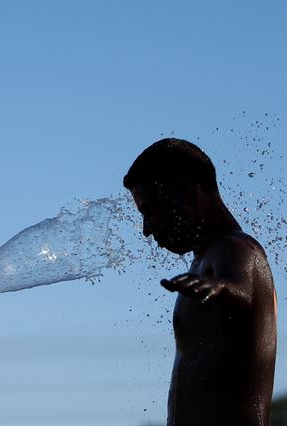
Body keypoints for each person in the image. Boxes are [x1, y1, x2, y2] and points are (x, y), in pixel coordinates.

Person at [123, 138, 277, 426]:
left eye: (150, 210)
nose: (146, 229)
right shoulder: (205, 259)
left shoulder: (236, 248)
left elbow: (242, 291)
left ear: (187, 193)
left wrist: (220, 288)